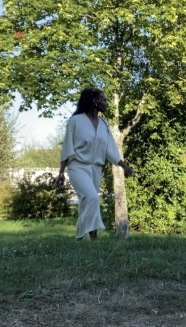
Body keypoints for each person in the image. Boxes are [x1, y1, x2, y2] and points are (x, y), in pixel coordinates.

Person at [56, 88, 135, 240]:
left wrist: (125, 167)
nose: (106, 103)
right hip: (77, 167)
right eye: (103, 100)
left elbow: (110, 149)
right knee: (92, 197)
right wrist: (60, 173)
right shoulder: (75, 121)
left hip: (95, 169)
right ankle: (93, 239)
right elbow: (67, 147)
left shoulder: (104, 124)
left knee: (86, 203)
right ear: (94, 101)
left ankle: (79, 237)